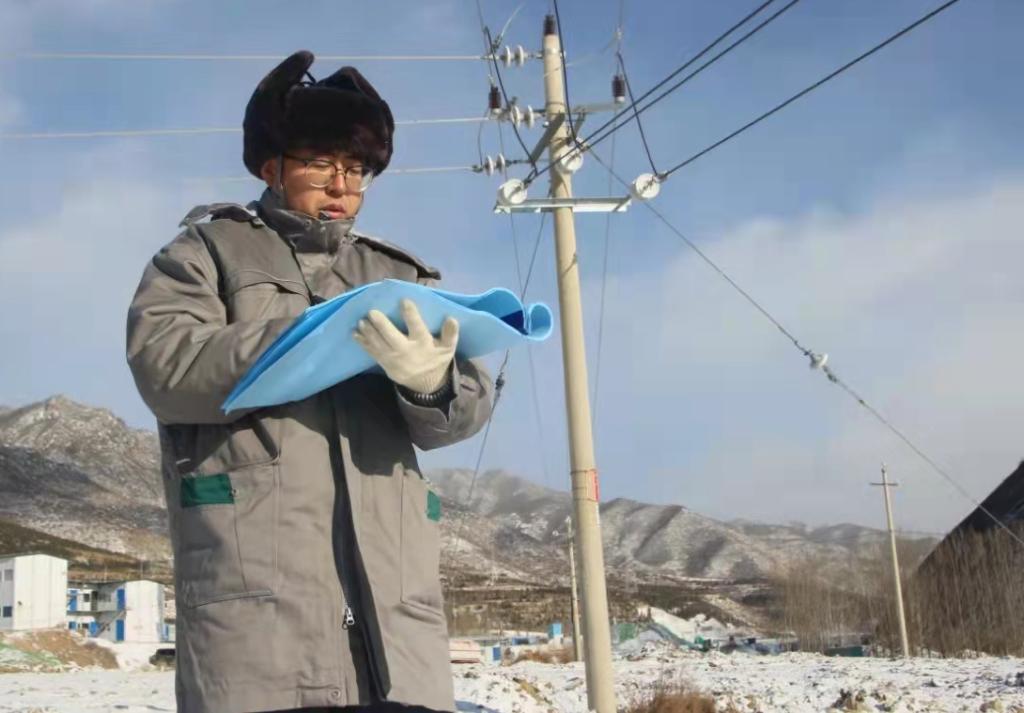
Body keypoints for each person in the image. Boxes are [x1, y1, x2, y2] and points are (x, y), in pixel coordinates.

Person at [126, 50, 493, 713]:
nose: (341, 185)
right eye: (321, 163)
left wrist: (431, 384)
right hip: (260, 632)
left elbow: (463, 413)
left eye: (357, 169)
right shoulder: (204, 254)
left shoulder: (398, 276)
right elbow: (166, 363)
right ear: (272, 167)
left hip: (395, 631)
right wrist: (311, 336)